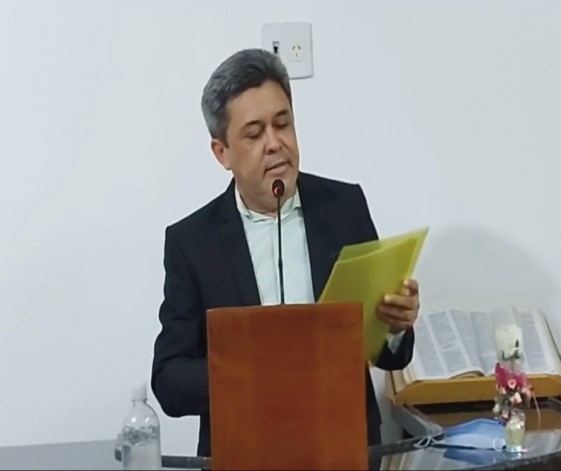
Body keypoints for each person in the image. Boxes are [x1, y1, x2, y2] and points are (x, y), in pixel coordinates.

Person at [151, 48, 420, 457]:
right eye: (254, 134)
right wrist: (254, 372)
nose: (275, 144)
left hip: (344, 445)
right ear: (222, 152)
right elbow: (169, 379)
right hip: (245, 452)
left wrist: (396, 325)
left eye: (283, 124)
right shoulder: (192, 242)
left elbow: (387, 353)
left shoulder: (343, 208)